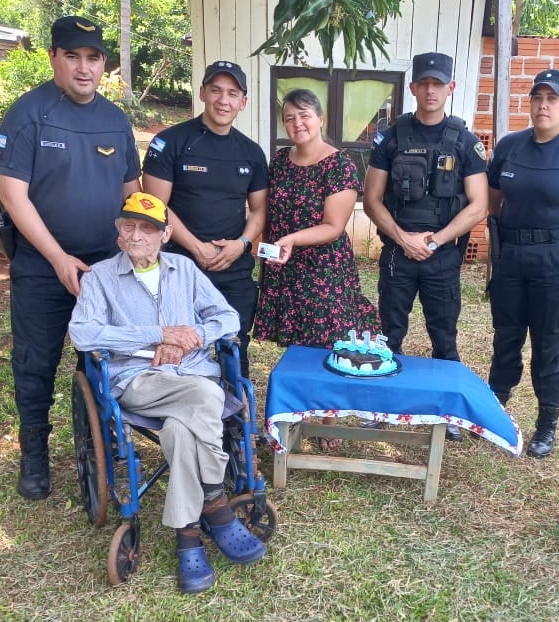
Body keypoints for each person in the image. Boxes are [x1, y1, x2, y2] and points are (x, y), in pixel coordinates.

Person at [68, 192, 267, 594]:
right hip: (139, 380)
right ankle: (216, 503)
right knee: (209, 398)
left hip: (189, 372)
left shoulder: (185, 269)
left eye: (148, 227)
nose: (137, 234)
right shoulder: (100, 277)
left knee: (180, 429)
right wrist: (157, 335)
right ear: (118, 232)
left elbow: (227, 316)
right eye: (129, 226)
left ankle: (188, 534)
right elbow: (82, 333)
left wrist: (188, 341)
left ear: (166, 234)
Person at [0, 14, 141, 501]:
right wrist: (57, 257)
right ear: (54, 57)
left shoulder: (116, 121)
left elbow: (131, 195)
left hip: (103, 268)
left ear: (105, 64)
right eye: (73, 56)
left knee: (101, 359)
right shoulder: (28, 114)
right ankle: (34, 451)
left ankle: (96, 447)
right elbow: (14, 196)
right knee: (36, 361)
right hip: (42, 265)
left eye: (93, 58)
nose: (84, 68)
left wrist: (133, 250)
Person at [363, 52, 488, 437]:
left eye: (439, 83)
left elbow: (479, 205)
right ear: (414, 88)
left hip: (442, 256)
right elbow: (371, 200)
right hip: (398, 256)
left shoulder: (466, 142)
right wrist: (403, 238)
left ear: (450, 88)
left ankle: (448, 415)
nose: (431, 90)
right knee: (389, 334)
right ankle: (383, 406)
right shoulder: (391, 137)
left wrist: (433, 241)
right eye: (424, 83)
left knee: (444, 337)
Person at [487, 69, 559, 458]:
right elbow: (492, 200)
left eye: (553, 99)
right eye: (537, 97)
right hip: (511, 259)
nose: (543, 105)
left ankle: (546, 424)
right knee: (506, 338)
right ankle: (494, 410)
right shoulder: (509, 147)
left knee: (547, 347)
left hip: (554, 263)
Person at [141, 59, 268, 377]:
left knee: (235, 347)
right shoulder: (170, 142)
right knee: (177, 349)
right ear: (202, 93)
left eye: (232, 93)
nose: (223, 100)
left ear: (243, 102)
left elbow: (260, 209)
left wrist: (241, 244)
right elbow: (155, 205)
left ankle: (235, 423)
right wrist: (197, 248)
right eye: (216, 91)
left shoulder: (252, 153)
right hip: (178, 270)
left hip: (234, 270)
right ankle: (184, 418)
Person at [253, 88, 380, 351]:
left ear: (320, 118)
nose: (297, 123)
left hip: (322, 269)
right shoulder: (279, 161)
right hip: (283, 265)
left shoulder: (340, 166)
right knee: (291, 346)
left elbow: (333, 227)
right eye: (289, 118)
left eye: (304, 115)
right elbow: (269, 210)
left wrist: (292, 239)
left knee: (325, 343)